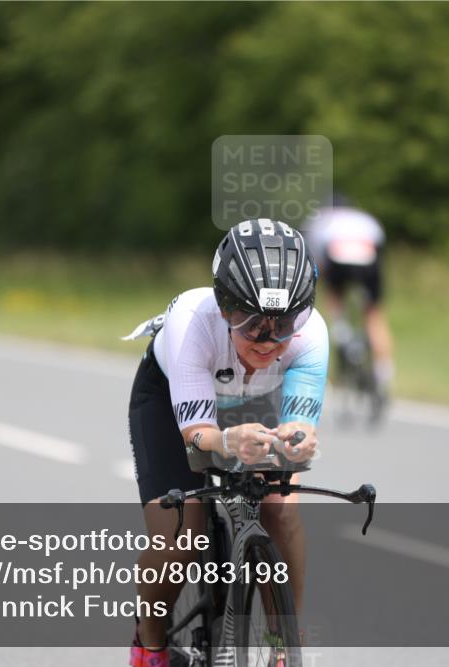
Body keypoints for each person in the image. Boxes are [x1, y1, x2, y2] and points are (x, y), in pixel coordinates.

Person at [123, 218, 328, 667]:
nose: (267, 339)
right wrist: (232, 440)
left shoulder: (310, 336)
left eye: (284, 323)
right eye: (250, 321)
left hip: (256, 400)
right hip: (172, 400)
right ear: (224, 308)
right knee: (182, 537)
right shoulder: (192, 324)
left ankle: (284, 641)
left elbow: (300, 424)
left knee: (280, 509)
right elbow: (198, 438)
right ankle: (149, 642)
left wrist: (298, 440)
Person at [303, 196, 394, 411]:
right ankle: (384, 376)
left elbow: (312, 260)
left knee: (333, 292)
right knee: (373, 314)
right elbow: (381, 249)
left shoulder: (320, 219)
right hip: (369, 256)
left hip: (337, 257)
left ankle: (341, 332)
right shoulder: (365, 218)